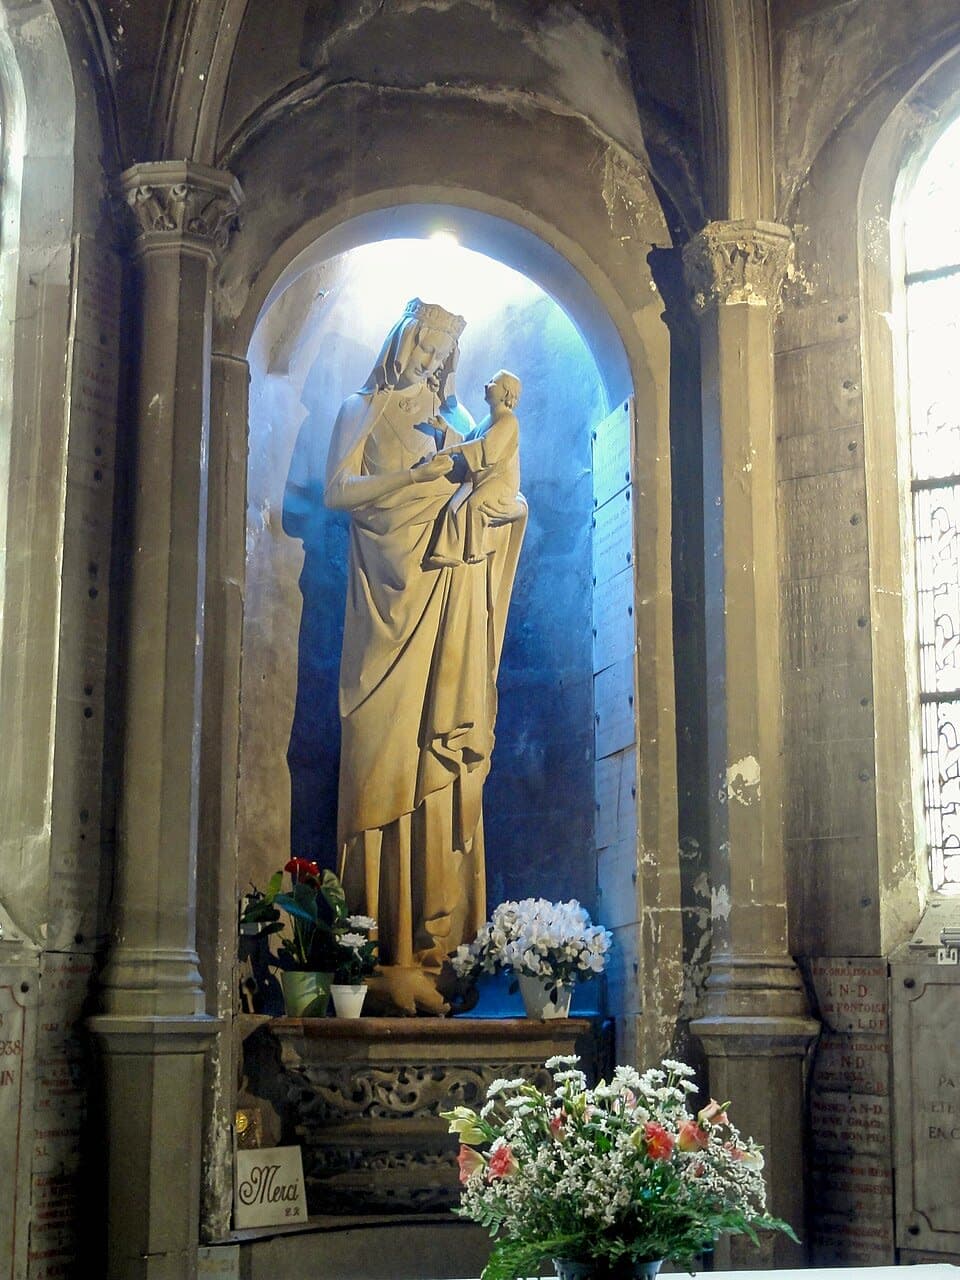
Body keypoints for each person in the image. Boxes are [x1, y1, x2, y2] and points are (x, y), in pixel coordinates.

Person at [323, 299, 525, 1014]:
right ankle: (376, 951)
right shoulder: (364, 408)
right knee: (381, 761)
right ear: (404, 342)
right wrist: (412, 481)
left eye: (444, 356)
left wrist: (492, 502)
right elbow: (335, 491)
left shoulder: (456, 424)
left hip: (443, 610)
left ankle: (433, 951)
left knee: (437, 765)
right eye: (426, 349)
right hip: (383, 613)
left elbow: (498, 489)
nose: (433, 365)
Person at [426, 369, 526, 568]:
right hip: (478, 479)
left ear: (506, 393)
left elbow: (486, 449)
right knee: (454, 506)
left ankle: (475, 551)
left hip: (500, 482)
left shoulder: (508, 421)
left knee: (474, 504)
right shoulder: (487, 420)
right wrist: (446, 429)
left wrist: (453, 449)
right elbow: (469, 441)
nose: (486, 385)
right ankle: (446, 552)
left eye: (493, 382)